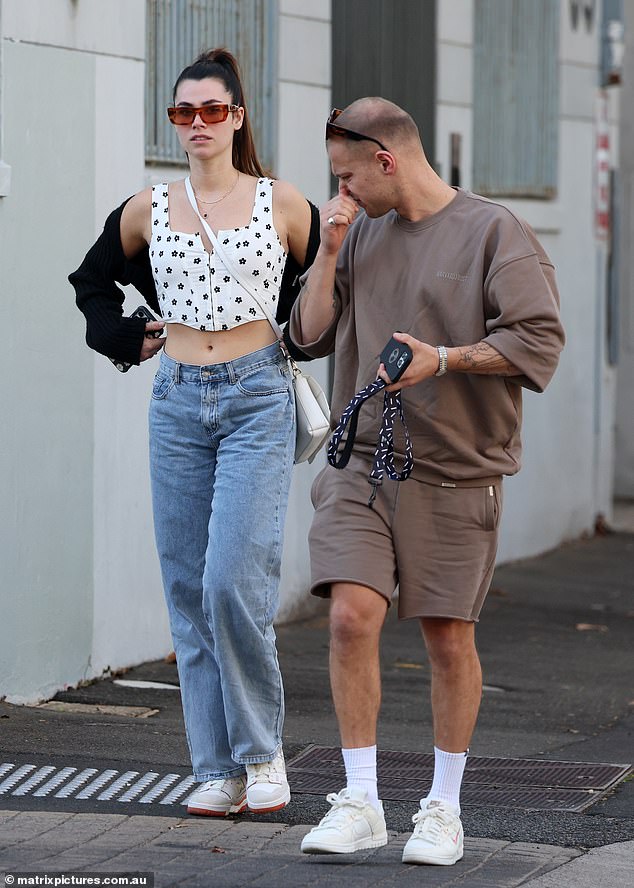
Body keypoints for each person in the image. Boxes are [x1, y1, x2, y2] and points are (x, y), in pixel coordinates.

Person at [290, 99, 564, 865]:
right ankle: (361, 799)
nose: (337, 192)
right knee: (349, 616)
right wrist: (328, 253)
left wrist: (445, 358)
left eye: (346, 176)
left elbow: (537, 340)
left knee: (447, 638)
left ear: (386, 160)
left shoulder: (493, 232)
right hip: (361, 462)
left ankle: (443, 808)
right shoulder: (356, 232)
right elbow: (309, 336)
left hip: (455, 473)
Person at [70, 48, 320, 818]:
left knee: (230, 582)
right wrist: (129, 336)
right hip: (178, 400)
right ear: (175, 122)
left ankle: (262, 753)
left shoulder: (283, 205)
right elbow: (90, 281)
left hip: (256, 398)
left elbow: (320, 297)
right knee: (185, 590)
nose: (199, 123)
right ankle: (216, 769)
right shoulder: (149, 207)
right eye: (185, 112)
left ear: (237, 116)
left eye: (213, 110)